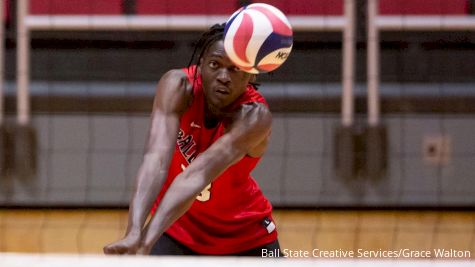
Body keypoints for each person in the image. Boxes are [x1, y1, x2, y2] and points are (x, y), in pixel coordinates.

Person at [103, 23, 282, 256]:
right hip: (177, 227)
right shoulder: (178, 86)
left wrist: (146, 241)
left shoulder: (255, 116)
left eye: (235, 69)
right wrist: (135, 232)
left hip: (245, 235)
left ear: (250, 74)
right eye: (215, 65)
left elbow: (196, 175)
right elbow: (154, 159)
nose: (223, 77)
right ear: (201, 65)